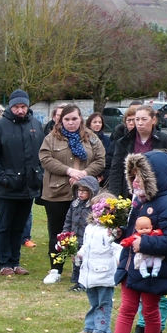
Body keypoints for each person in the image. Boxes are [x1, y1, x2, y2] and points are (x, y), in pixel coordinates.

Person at [110, 151, 167, 333]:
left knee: (150, 311)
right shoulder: (139, 202)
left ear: (153, 178)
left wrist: (145, 245)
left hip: (153, 269)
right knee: (127, 308)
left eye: (139, 176)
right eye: (132, 176)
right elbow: (133, 233)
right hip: (132, 265)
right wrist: (120, 232)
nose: (134, 181)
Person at [38, 103, 105, 285]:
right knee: (57, 232)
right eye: (66, 119)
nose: (70, 123)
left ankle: (84, 268)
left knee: (87, 231)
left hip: (85, 193)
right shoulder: (51, 138)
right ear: (61, 120)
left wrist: (83, 175)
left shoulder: (91, 138)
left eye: (74, 118)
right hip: (57, 192)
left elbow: (100, 159)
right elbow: (45, 159)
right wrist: (69, 171)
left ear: (81, 119)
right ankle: (56, 269)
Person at [0, 89, 43, 277]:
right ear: (11, 106)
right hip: (8, 185)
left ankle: (15, 262)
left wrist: (38, 176)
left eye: (23, 106)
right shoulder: (0, 126)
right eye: (16, 106)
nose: (20, 110)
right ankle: (5, 263)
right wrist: (2, 177)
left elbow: (41, 153)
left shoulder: (35, 124)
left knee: (20, 226)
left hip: (29, 185)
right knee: (5, 225)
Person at [75, 191, 121, 333]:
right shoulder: (90, 228)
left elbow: (117, 248)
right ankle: (90, 325)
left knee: (103, 301)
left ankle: (101, 328)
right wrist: (80, 253)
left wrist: (120, 261)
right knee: (93, 301)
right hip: (89, 271)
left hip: (105, 271)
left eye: (100, 211)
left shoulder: (111, 230)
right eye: (94, 210)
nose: (96, 214)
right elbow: (86, 244)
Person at [108, 105, 167, 200]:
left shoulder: (164, 139)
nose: (140, 123)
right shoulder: (123, 142)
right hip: (129, 194)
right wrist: (114, 198)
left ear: (153, 120)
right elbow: (116, 171)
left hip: (156, 193)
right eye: (137, 119)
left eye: (144, 119)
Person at [62, 175, 98, 289]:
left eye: (84, 191)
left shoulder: (94, 207)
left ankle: (84, 278)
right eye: (79, 190)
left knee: (85, 259)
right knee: (75, 257)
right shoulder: (74, 204)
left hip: (87, 238)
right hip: (75, 236)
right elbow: (68, 219)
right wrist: (65, 233)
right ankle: (76, 275)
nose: (81, 193)